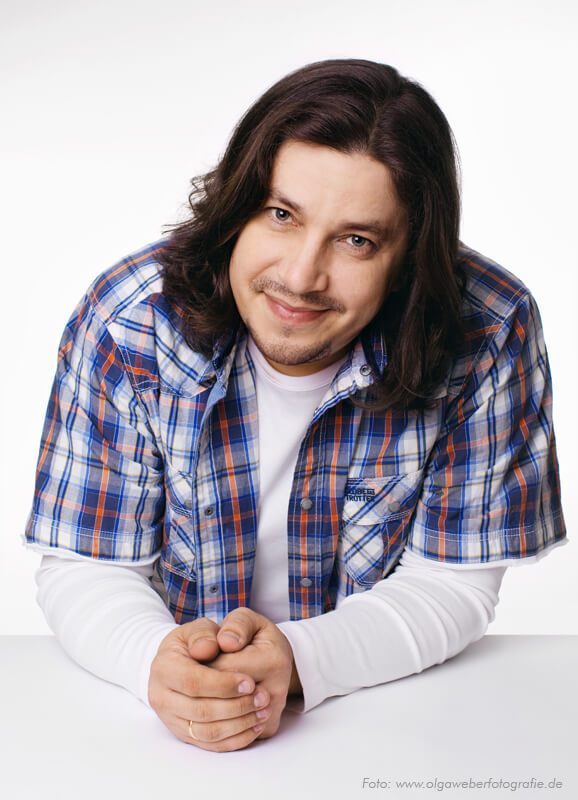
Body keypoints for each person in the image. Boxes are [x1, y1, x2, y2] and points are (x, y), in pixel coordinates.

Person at [25, 59, 566, 753]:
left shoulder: (488, 330)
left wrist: (300, 659)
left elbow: (452, 583)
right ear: (235, 208)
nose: (302, 276)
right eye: (281, 215)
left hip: (384, 727)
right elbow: (89, 564)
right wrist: (155, 663)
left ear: (409, 258)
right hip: (164, 748)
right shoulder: (128, 323)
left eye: (356, 240)